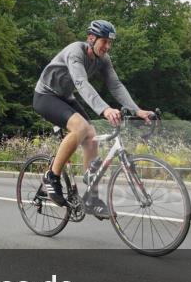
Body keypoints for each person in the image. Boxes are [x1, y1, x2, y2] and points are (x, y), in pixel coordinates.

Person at [32, 20, 153, 218]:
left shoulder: (103, 59)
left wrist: (138, 110)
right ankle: (51, 176)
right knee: (80, 128)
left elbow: (115, 85)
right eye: (104, 41)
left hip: (66, 97)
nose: (107, 46)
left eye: (110, 43)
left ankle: (91, 197)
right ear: (91, 38)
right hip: (46, 96)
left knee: (91, 136)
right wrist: (105, 109)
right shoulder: (75, 52)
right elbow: (81, 83)